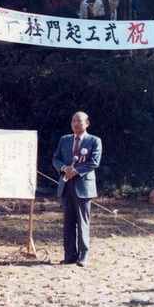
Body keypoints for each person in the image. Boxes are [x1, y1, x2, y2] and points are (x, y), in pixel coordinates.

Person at [52, 112, 102, 268]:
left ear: (87, 123)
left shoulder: (94, 140)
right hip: (66, 184)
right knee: (68, 222)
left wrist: (77, 171)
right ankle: (69, 256)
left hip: (83, 186)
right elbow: (56, 158)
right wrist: (64, 168)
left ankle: (83, 256)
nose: (75, 124)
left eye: (79, 121)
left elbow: (94, 162)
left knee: (82, 222)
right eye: (73, 120)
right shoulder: (65, 140)